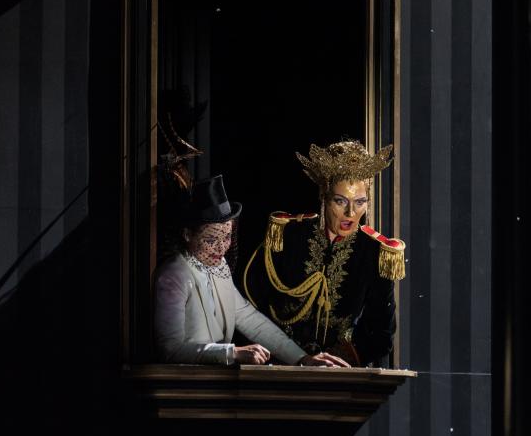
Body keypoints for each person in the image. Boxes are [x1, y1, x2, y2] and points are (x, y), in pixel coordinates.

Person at [153, 174, 349, 367]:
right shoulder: (173, 276)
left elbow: (250, 319)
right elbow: (170, 350)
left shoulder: (219, 267)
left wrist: (302, 359)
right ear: (187, 234)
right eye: (211, 240)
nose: (221, 248)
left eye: (226, 238)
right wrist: (232, 352)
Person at [243, 140, 406, 367]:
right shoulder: (288, 235)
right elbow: (251, 302)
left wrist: (337, 360)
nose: (350, 212)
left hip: (338, 372)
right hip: (278, 364)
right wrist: (289, 356)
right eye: (340, 201)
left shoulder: (375, 252)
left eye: (360, 202)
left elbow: (381, 333)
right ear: (324, 197)